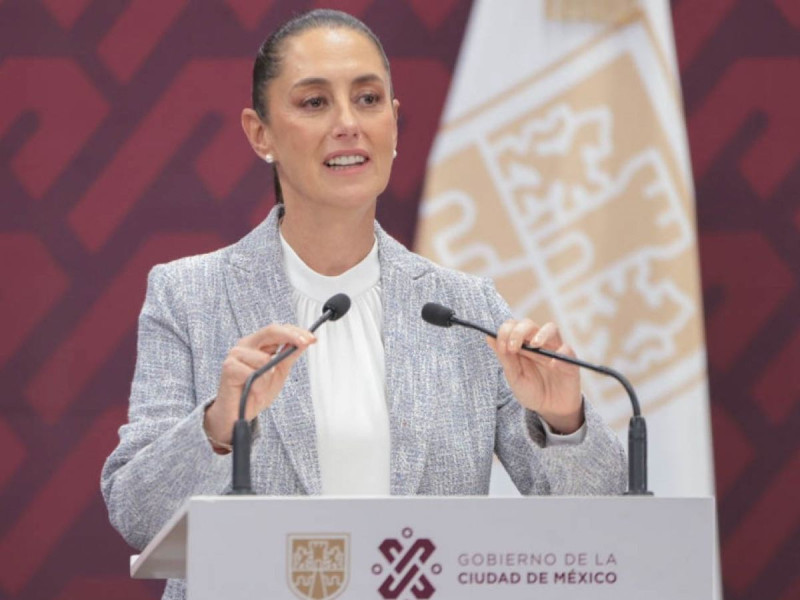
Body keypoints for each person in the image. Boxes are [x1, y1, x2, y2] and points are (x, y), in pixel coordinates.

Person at [101, 9, 626, 599]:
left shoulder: (462, 308)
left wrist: (563, 421)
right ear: (260, 133)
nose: (348, 124)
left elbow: (605, 523)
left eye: (369, 99)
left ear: (394, 124)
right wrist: (220, 424)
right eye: (314, 102)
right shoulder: (189, 295)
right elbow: (138, 513)